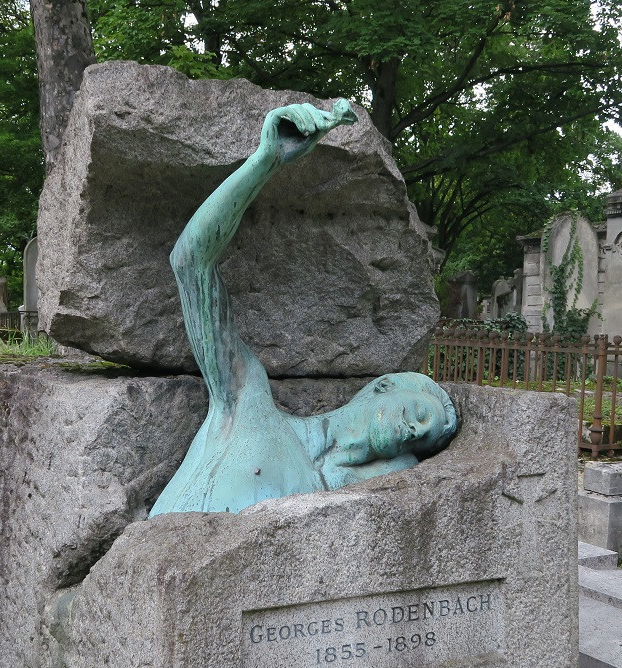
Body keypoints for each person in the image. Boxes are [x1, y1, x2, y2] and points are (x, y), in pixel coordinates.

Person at [150, 100, 458, 517]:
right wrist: (266, 162)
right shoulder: (246, 398)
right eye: (421, 414)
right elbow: (190, 262)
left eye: (422, 441)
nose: (415, 432)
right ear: (382, 385)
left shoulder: (326, 492)